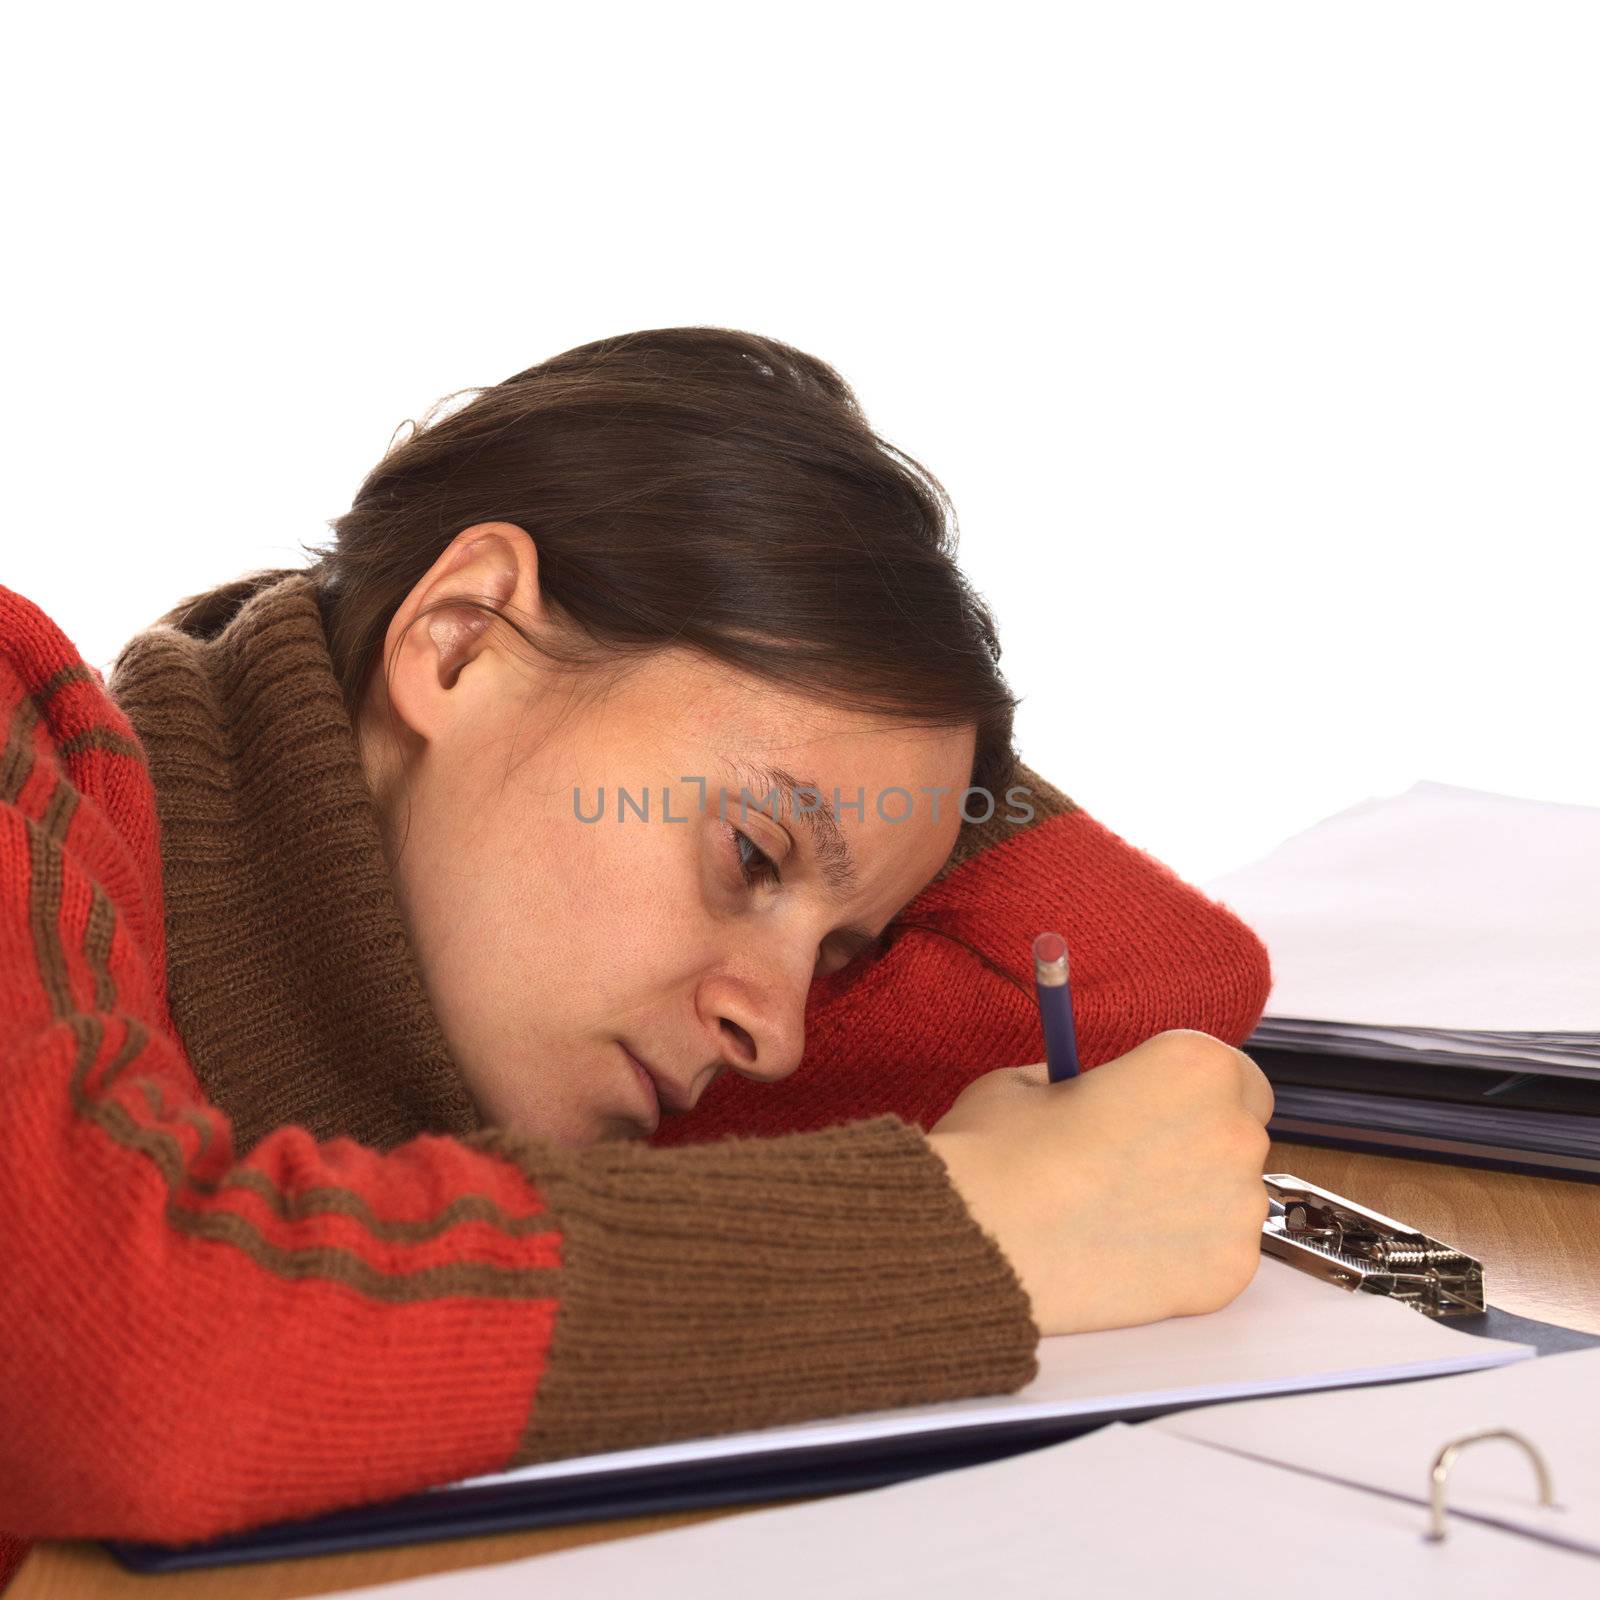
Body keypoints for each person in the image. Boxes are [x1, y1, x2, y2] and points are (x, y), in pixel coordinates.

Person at [0, 326, 1273, 1582]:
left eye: (836, 958)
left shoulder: (485, 1075)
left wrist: (889, 772)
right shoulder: (20, 755)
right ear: (458, 642)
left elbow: (1148, 995)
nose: (776, 1038)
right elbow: (124, 1352)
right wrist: (998, 1224)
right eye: (751, 856)